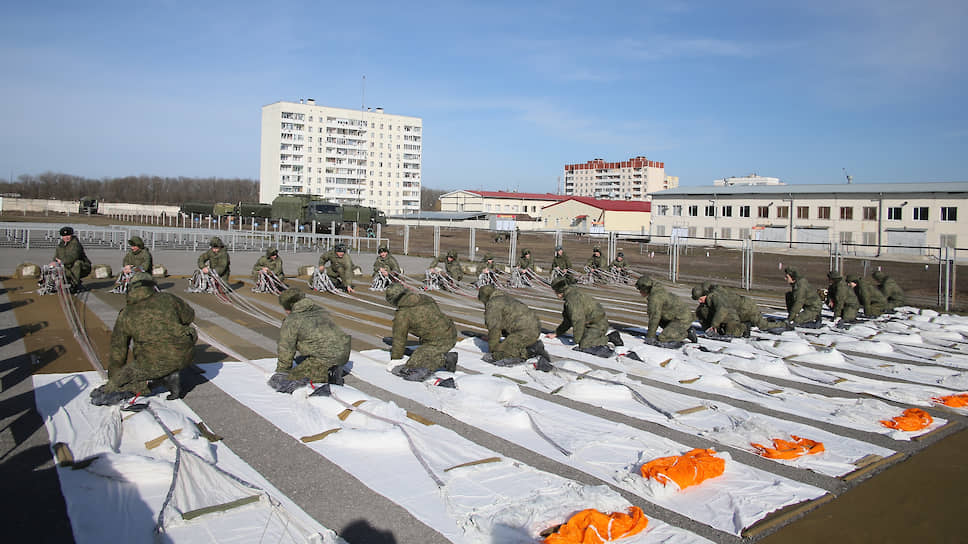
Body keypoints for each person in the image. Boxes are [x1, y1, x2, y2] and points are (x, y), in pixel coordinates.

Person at [90, 273, 197, 404]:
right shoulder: (168, 298)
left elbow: (118, 350)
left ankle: (157, 380)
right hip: (186, 355)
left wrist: (114, 379)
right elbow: (189, 316)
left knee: (122, 381)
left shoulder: (126, 314)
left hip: (155, 362)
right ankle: (170, 374)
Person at [268, 288, 351, 395]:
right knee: (306, 353)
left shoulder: (292, 320)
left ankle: (326, 373)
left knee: (283, 382)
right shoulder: (320, 310)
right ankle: (332, 366)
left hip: (324, 358)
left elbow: (286, 348)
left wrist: (282, 371)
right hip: (343, 353)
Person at [385, 283, 458, 381]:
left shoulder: (403, 314)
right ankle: (441, 355)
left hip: (438, 341)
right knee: (420, 354)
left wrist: (396, 359)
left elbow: (399, 339)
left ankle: (445, 359)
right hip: (451, 331)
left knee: (414, 366)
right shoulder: (425, 298)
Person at [477, 284, 549, 366]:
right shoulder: (505, 297)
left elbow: (494, 328)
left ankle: (527, 352)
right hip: (534, 329)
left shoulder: (493, 303)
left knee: (501, 354)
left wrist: (493, 350)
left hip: (525, 332)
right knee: (506, 343)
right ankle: (530, 346)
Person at [546, 277, 612, 357]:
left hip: (598, 324)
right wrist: (557, 333)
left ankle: (609, 337)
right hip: (589, 323)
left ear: (559, 291)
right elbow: (568, 321)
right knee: (582, 339)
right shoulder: (570, 295)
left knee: (584, 345)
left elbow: (578, 320)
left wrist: (577, 341)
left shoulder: (572, 300)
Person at [636, 275, 696, 346]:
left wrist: (650, 337)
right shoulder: (657, 291)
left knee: (663, 338)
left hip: (681, 319)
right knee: (659, 320)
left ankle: (684, 332)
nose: (640, 292)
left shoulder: (655, 297)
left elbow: (654, 317)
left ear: (645, 288)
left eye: (640, 289)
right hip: (675, 316)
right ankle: (681, 329)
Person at [50, 226, 91, 293]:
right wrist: (54, 263)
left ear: (71, 235)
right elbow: (56, 257)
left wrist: (62, 261)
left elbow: (73, 257)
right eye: (64, 236)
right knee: (53, 267)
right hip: (67, 267)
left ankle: (75, 285)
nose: (66, 237)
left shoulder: (76, 244)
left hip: (82, 267)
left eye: (68, 235)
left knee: (77, 263)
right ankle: (53, 284)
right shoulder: (60, 246)